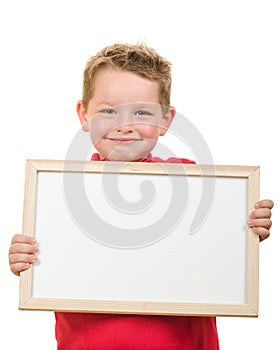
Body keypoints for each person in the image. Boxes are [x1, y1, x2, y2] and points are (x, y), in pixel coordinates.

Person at [9, 43, 274, 350]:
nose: (125, 125)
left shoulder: (194, 182)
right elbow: (49, 263)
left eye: (142, 112)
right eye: (108, 111)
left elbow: (219, 251)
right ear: (84, 114)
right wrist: (25, 259)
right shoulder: (58, 193)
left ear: (165, 120)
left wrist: (247, 227)